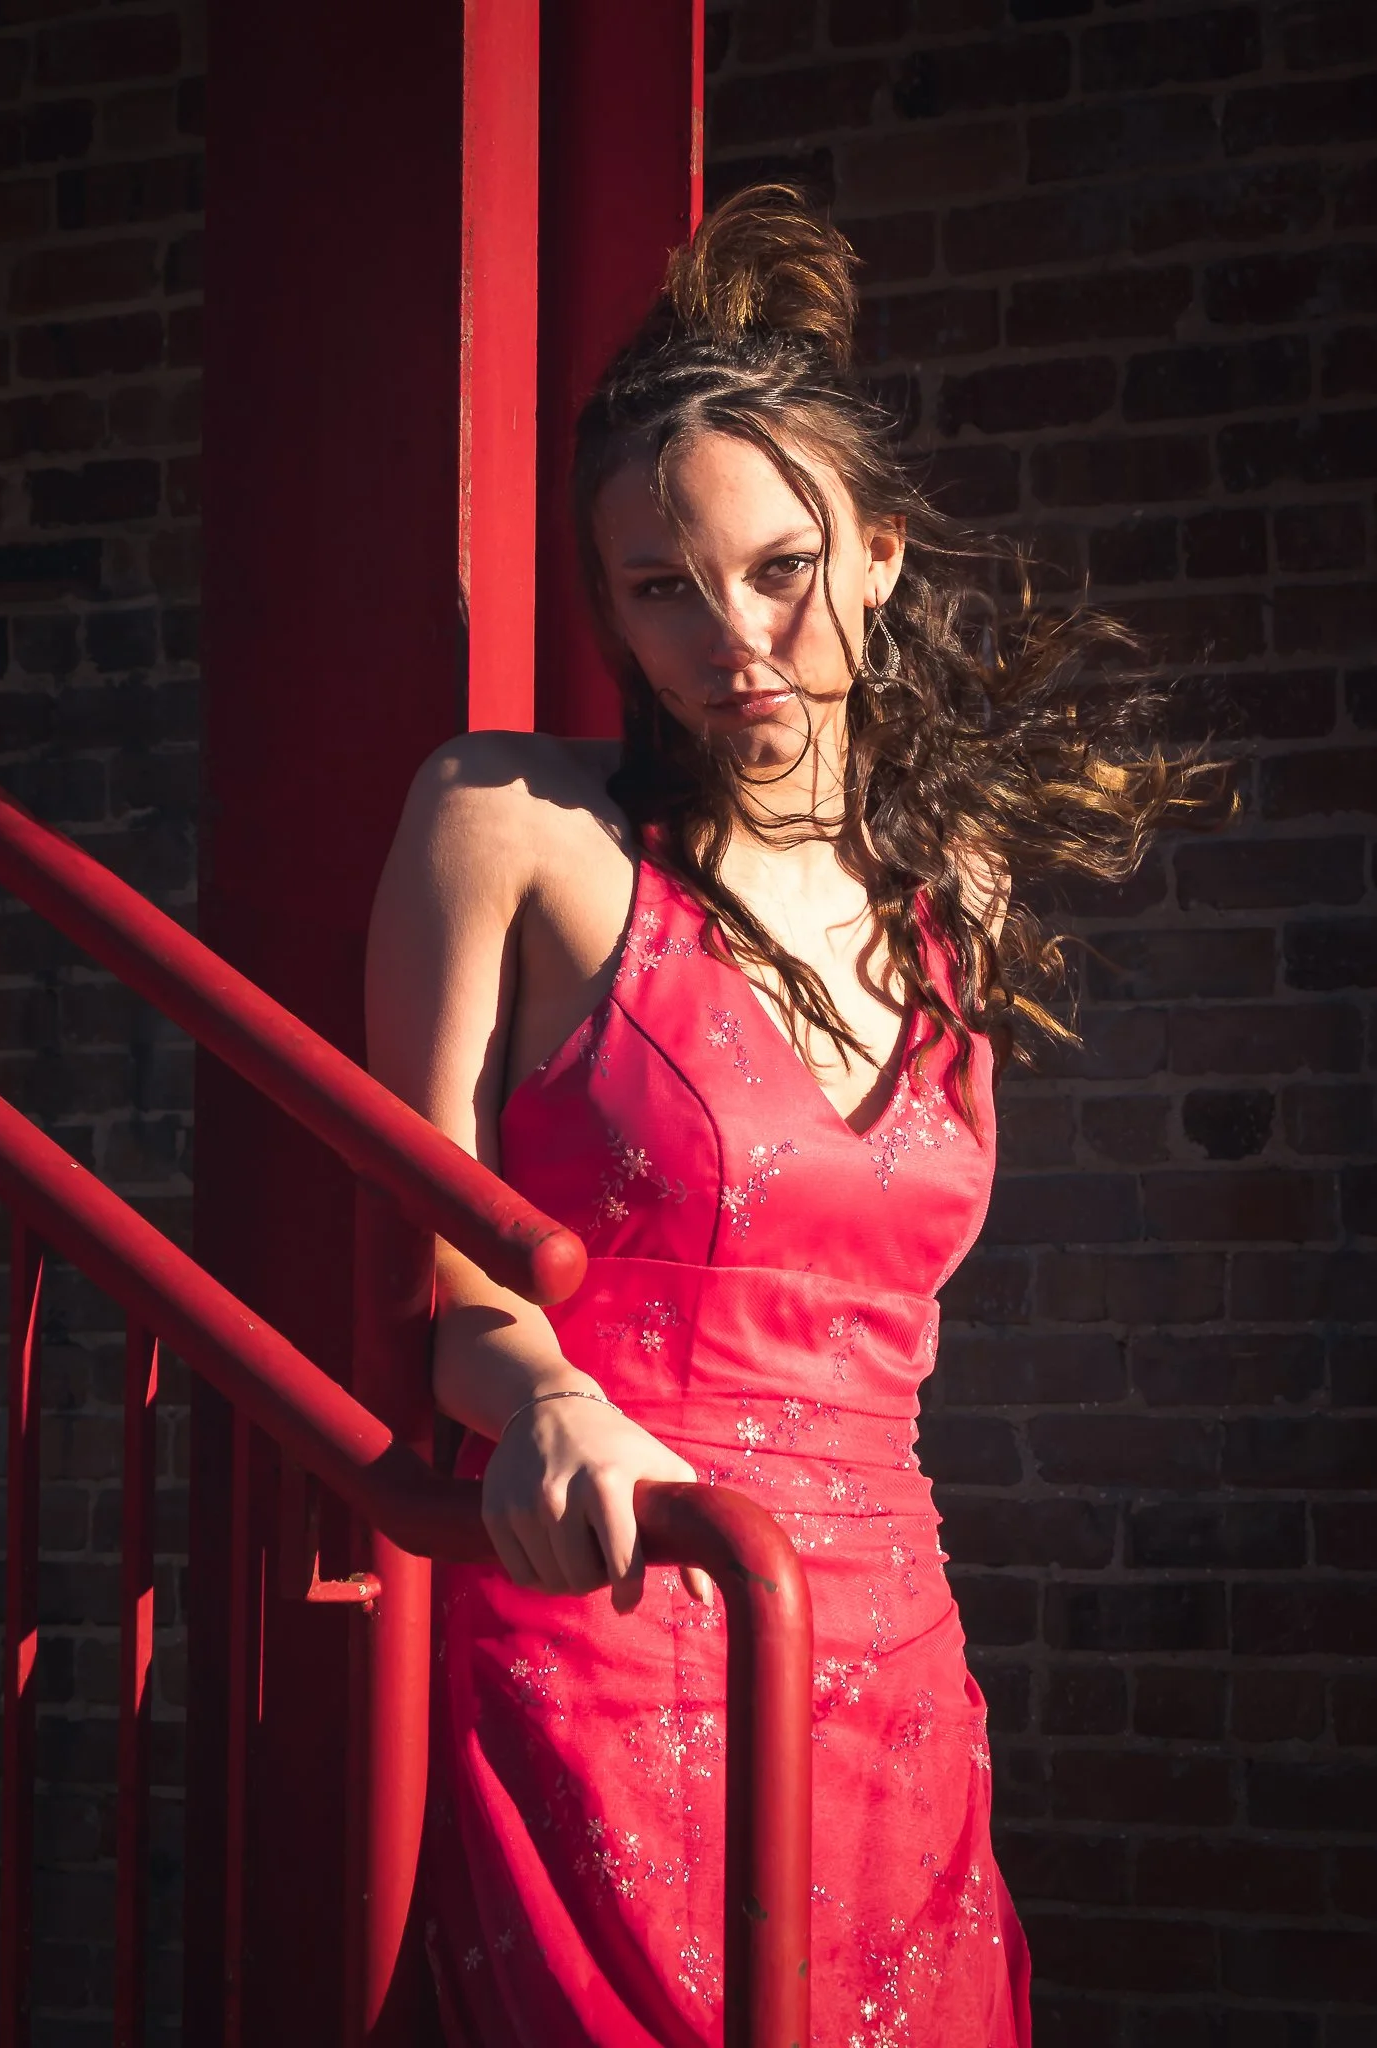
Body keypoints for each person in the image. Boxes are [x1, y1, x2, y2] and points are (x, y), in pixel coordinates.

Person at [366, 186, 1212, 2048]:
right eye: (659, 589)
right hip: (616, 1587)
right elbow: (425, 1255)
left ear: (881, 552)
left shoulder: (956, 885)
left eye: (775, 568)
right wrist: (545, 1398)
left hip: (891, 1649)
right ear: (607, 602)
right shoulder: (510, 824)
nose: (730, 636)